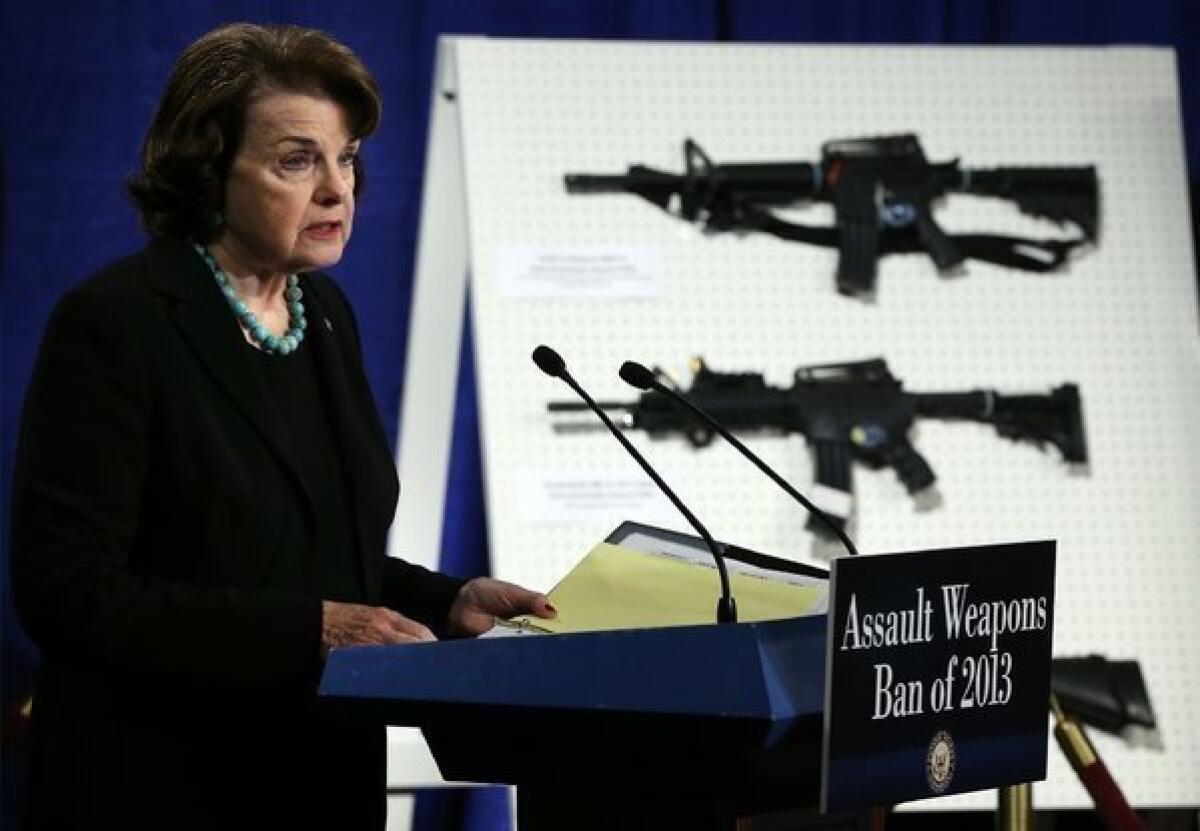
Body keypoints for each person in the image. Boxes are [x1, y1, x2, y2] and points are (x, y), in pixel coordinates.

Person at [9, 23, 554, 829]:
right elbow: (68, 591)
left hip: (317, 772)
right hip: (161, 778)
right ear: (207, 171)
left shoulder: (323, 316)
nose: (338, 189)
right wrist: (314, 630)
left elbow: (310, 549)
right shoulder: (117, 323)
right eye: (298, 159)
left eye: (347, 157)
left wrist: (447, 600)